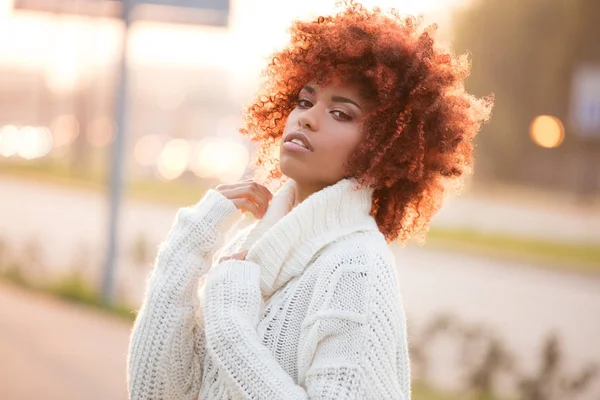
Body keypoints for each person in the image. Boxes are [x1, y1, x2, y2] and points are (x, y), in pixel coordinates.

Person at [127, 1, 492, 399]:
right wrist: (189, 242)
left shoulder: (355, 269)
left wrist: (230, 323)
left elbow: (231, 333)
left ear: (384, 148)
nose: (307, 118)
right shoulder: (250, 247)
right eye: (305, 101)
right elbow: (155, 392)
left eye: (341, 113)